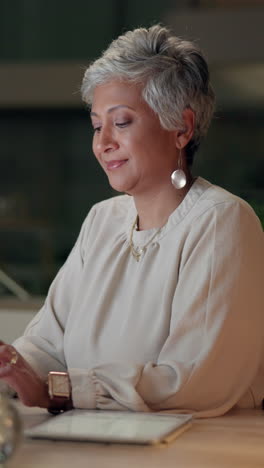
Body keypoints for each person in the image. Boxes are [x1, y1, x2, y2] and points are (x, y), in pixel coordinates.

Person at [0, 25, 263, 418]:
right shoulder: (102, 219)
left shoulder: (222, 221)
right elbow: (47, 343)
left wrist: (61, 389)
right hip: (91, 443)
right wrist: (12, 368)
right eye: (96, 125)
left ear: (182, 128)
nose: (103, 142)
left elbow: (195, 380)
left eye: (121, 122)